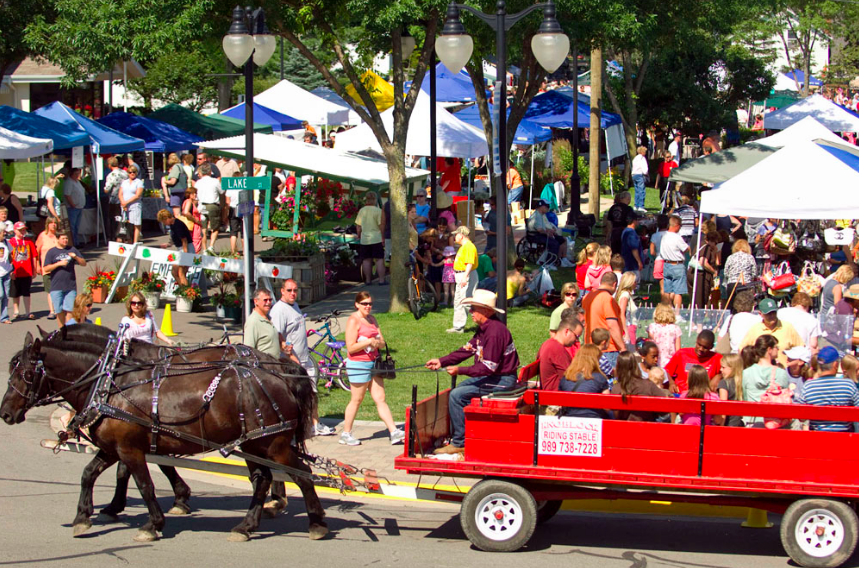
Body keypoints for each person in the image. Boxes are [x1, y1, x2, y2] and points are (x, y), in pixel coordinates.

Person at [426, 290, 519, 454]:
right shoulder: (485, 328)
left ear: (486, 311)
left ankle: (460, 442)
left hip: (502, 380)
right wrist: (442, 361)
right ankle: (466, 434)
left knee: (456, 395)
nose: (470, 312)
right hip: (496, 377)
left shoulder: (495, 332)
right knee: (459, 391)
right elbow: (467, 350)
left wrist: (460, 370)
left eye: (474, 309)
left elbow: (488, 368)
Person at [270, 279, 335, 436]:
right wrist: (291, 357)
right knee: (296, 395)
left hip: (305, 358)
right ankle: (296, 427)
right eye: (289, 290)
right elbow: (278, 335)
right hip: (292, 362)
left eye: (295, 290)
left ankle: (314, 423)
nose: (293, 293)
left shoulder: (295, 306)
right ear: (282, 291)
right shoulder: (279, 310)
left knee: (312, 392)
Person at [340, 291, 405, 446]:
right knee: (357, 399)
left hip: (374, 363)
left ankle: (393, 431)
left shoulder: (372, 319)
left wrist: (377, 343)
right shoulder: (353, 320)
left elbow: (382, 342)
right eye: (364, 304)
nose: (368, 306)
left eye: (370, 304)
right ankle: (346, 433)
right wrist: (368, 342)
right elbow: (351, 347)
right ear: (357, 304)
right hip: (359, 364)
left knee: (380, 398)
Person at [796, 347, 859, 432]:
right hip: (844, 440)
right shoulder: (848, 385)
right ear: (835, 365)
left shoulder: (809, 386)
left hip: (818, 440)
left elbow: (801, 417)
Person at [739, 298, 804, 367]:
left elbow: (800, 348)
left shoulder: (787, 327)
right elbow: (743, 351)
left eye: (774, 312)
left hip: (785, 372)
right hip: (762, 374)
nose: (772, 316)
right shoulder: (754, 330)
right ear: (760, 314)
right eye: (768, 314)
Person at [742, 334, 790, 426]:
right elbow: (786, 399)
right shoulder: (781, 373)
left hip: (752, 422)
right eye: (776, 347)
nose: (778, 349)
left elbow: (745, 398)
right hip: (775, 422)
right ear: (769, 350)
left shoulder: (746, 373)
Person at [582, 271, 626, 370]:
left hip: (589, 346)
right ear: (615, 284)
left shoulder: (587, 297)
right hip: (608, 348)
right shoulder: (608, 299)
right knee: (610, 382)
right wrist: (622, 348)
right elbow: (612, 325)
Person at [42, 232, 86, 328]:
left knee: (70, 310)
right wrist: (58, 264)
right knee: (59, 311)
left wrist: (76, 257)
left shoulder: (72, 249)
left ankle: (70, 330)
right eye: (63, 238)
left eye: (66, 238)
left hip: (70, 286)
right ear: (57, 239)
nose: (65, 240)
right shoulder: (52, 252)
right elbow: (46, 268)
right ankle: (62, 330)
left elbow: (83, 263)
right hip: (56, 286)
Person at [611, 351, 667, 421]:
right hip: (647, 428)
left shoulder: (616, 388)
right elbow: (665, 407)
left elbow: (616, 415)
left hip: (624, 429)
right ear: (635, 366)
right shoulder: (648, 385)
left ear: (619, 368)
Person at [559, 344, 610, 418]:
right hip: (593, 420)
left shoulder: (566, 377)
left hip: (569, 419)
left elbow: (561, 403)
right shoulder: (600, 378)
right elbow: (607, 407)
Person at [538, 314, 581, 391]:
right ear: (567, 331)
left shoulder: (547, 343)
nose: (576, 340)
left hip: (551, 393)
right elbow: (570, 378)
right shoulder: (556, 348)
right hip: (556, 397)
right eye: (576, 336)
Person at [449, 226, 478, 333]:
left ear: (461, 235)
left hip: (465, 275)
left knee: (465, 301)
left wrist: (465, 277)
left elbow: (469, 263)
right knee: (458, 300)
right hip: (461, 275)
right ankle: (457, 326)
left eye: (456, 234)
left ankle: (484, 321)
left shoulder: (469, 247)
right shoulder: (463, 247)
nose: (454, 237)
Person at [659, 215, 690, 315]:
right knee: (678, 292)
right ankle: (677, 313)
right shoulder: (677, 238)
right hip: (677, 265)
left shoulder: (664, 236)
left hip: (666, 264)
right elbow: (685, 248)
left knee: (667, 290)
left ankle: (668, 311)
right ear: (676, 226)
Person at [9, 222, 37, 320]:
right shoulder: (11, 242)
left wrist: (35, 269)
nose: (22, 232)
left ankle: (28, 311)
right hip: (15, 271)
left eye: (23, 230)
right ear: (14, 231)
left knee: (26, 291)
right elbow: (8, 257)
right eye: (20, 230)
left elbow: (34, 256)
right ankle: (16, 311)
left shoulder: (29, 242)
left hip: (27, 271)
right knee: (15, 292)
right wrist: (10, 270)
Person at [355, 192, 386, 285]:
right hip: (376, 238)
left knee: (366, 260)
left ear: (366, 200)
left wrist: (359, 235)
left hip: (365, 238)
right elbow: (381, 225)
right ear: (375, 200)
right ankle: (381, 280)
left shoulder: (362, 211)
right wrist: (383, 237)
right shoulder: (378, 211)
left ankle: (368, 280)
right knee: (379, 259)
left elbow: (358, 226)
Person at [243, 288, 282, 358]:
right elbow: (248, 351)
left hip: (274, 365)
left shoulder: (268, 318)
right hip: (263, 366)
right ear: (256, 301)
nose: (268, 302)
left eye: (270, 300)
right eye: (265, 300)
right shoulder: (253, 322)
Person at [36, 217, 61, 320]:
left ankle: (59, 309)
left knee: (59, 289)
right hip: (46, 268)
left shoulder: (59, 236)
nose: (53, 225)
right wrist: (37, 265)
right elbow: (36, 252)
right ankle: (52, 311)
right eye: (51, 223)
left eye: (55, 223)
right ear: (47, 224)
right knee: (50, 290)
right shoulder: (43, 236)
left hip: (59, 267)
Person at [527, 199, 567, 263]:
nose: (548, 208)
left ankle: (561, 260)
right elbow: (540, 230)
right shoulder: (537, 216)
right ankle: (549, 262)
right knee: (554, 243)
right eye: (547, 206)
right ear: (542, 207)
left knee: (562, 240)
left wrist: (549, 231)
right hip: (535, 237)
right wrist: (547, 233)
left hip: (540, 235)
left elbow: (542, 228)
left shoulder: (541, 215)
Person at [195, 162, 223, 252]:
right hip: (213, 205)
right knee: (215, 227)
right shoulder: (215, 181)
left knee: (203, 228)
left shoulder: (198, 183)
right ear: (210, 172)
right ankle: (211, 246)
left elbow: (196, 195)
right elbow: (222, 191)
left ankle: (204, 248)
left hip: (201, 205)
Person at [722, 239, 757, 308]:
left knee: (732, 306)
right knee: (745, 306)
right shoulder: (750, 257)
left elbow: (726, 273)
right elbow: (754, 273)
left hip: (732, 284)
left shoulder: (730, 257)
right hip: (745, 284)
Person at [647, 303, 682, 369]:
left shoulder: (652, 327)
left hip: (655, 361)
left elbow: (649, 344)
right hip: (671, 362)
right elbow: (678, 350)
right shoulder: (675, 328)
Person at [103, 157, 129, 240]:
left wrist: (104, 189)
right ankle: (124, 235)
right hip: (125, 198)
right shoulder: (125, 173)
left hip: (115, 199)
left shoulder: (111, 175)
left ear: (109, 165)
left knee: (114, 219)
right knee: (123, 218)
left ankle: (114, 236)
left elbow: (107, 189)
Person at [717, 353, 745, 427]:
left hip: (728, 425)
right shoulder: (742, 382)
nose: (720, 369)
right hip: (739, 424)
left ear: (732, 368)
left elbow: (723, 407)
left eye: (723, 367)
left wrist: (721, 426)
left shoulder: (724, 383)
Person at [119, 166, 144, 244]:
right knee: (126, 223)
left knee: (136, 223)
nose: (132, 173)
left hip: (135, 204)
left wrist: (126, 203)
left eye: (134, 172)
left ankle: (135, 241)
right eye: (130, 172)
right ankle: (128, 240)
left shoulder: (139, 182)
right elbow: (120, 194)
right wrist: (123, 203)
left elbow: (138, 195)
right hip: (124, 205)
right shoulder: (124, 182)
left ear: (136, 173)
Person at [63, 168, 86, 247]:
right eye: (76, 174)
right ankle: (73, 243)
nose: (78, 175)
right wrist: (72, 204)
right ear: (72, 174)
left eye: (78, 173)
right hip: (73, 208)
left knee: (77, 226)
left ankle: (76, 242)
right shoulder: (69, 182)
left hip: (79, 207)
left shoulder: (77, 182)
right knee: (72, 226)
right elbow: (67, 194)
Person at [615, 271, 638, 345]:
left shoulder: (624, 294)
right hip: (628, 326)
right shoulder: (625, 295)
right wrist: (626, 333)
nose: (636, 284)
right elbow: (621, 314)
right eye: (635, 282)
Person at [164, 153, 189, 218]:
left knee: (177, 214)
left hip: (175, 192)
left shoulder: (175, 167)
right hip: (182, 191)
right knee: (179, 212)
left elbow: (173, 181)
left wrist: (165, 181)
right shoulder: (181, 166)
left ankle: (179, 227)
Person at [180, 187, 204, 253]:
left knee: (189, 243)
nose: (195, 195)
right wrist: (196, 220)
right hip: (193, 225)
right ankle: (194, 260)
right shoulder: (189, 201)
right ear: (189, 194)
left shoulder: (186, 201)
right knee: (196, 242)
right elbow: (186, 212)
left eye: (195, 193)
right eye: (193, 193)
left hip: (189, 225)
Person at [631, 146, 648, 212]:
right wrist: (646, 173)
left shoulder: (635, 158)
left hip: (634, 174)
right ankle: (641, 206)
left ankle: (636, 205)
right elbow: (645, 169)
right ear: (642, 152)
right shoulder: (642, 158)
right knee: (642, 191)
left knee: (637, 191)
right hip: (640, 174)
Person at [0, 222, 11, 324]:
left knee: (6, 295)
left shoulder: (7, 243)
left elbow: (11, 256)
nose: (4, 233)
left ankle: (4, 317)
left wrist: (12, 269)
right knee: (0, 294)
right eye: (3, 232)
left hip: (6, 272)